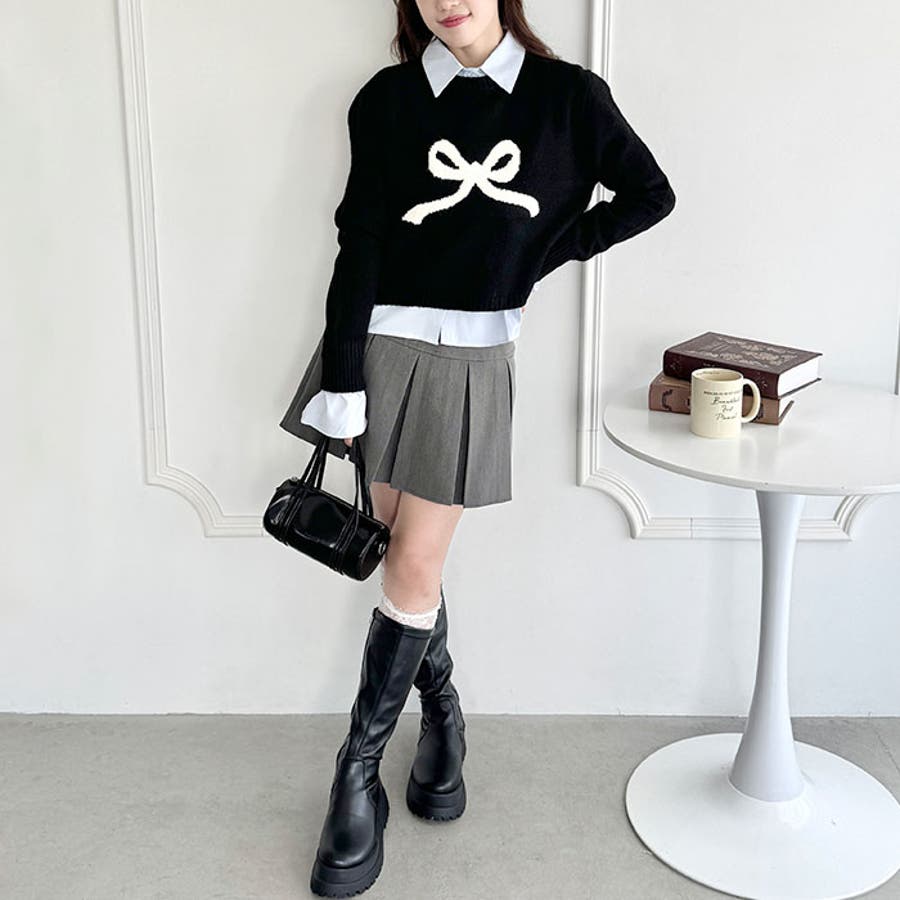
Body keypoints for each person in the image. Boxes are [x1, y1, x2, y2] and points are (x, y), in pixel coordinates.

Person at [278, 0, 676, 894]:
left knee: (413, 564)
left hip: (472, 359)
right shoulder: (386, 99)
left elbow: (650, 194)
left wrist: (539, 252)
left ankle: (356, 775)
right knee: (406, 563)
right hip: (380, 348)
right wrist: (343, 375)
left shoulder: (567, 97)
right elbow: (359, 239)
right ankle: (444, 715)